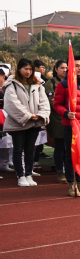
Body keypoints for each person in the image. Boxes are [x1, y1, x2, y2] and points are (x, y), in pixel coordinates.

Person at [53, 55, 80, 197]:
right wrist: (66, 113)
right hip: (71, 126)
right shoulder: (63, 84)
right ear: (71, 67)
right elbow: (57, 104)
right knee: (71, 155)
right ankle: (72, 184)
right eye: (76, 65)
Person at [3, 58, 50, 186]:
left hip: (34, 123)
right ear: (19, 69)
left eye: (30, 69)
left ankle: (28, 174)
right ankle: (20, 175)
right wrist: (28, 116)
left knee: (30, 149)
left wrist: (40, 115)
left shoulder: (38, 84)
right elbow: (11, 103)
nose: (28, 72)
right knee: (18, 149)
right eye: (25, 69)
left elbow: (44, 102)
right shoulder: (12, 84)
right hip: (18, 123)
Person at [44, 61, 68, 183]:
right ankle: (60, 171)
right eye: (62, 68)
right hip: (57, 119)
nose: (64, 70)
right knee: (59, 146)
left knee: (69, 147)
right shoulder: (51, 83)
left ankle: (68, 170)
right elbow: (52, 101)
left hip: (71, 118)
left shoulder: (71, 82)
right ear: (56, 69)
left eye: (66, 68)